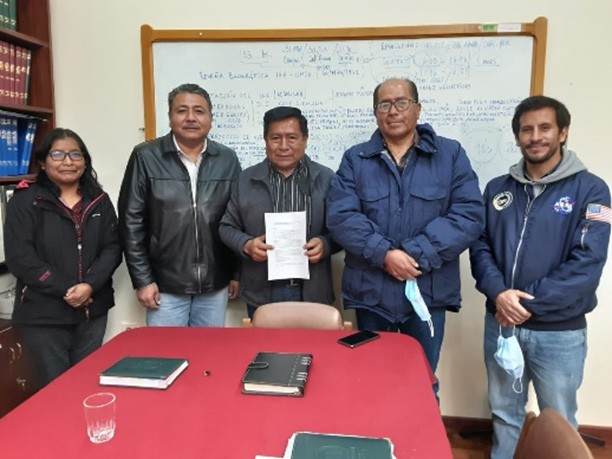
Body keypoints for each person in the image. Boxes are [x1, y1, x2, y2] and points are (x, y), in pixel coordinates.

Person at [470, 95, 611, 458]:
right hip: (501, 324)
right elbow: (480, 248)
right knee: (504, 412)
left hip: (559, 333)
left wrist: (524, 304)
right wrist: (499, 294)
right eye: (527, 130)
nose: (535, 137)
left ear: (563, 133)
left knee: (558, 420)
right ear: (517, 137)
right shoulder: (497, 189)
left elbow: (587, 263)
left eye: (545, 128)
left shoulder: (592, 190)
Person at [326, 77, 484, 391]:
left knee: (421, 382)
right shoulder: (355, 159)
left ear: (417, 109)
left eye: (401, 102)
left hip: (427, 292)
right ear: (375, 112)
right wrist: (385, 254)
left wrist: (414, 254)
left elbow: (468, 214)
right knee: (371, 383)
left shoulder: (450, 155)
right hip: (372, 295)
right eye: (384, 104)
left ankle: (421, 426)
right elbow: (342, 217)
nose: (393, 111)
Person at [4, 128, 122, 389]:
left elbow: (112, 248)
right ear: (42, 162)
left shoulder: (99, 200)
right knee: (54, 389)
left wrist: (90, 285)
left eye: (75, 155)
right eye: (57, 154)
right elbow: (20, 257)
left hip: (93, 310)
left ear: (85, 162)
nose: (68, 161)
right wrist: (69, 289)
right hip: (44, 314)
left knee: (87, 384)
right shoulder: (25, 201)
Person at [118, 83, 241, 327]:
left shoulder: (227, 159)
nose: (191, 118)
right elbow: (131, 222)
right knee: (166, 350)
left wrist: (235, 273)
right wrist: (143, 280)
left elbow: (237, 218)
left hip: (215, 283)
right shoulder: (146, 156)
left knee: (209, 349)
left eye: (199, 111)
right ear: (170, 117)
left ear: (210, 118)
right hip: (164, 285)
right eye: (182, 110)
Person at [219, 106, 339, 318]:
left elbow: (342, 229)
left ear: (305, 139)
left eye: (292, 137)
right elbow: (226, 227)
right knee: (265, 340)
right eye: (275, 138)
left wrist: (326, 244)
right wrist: (246, 245)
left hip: (312, 290)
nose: (283, 146)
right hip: (261, 291)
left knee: (311, 341)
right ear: (265, 140)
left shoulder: (326, 178)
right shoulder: (246, 180)